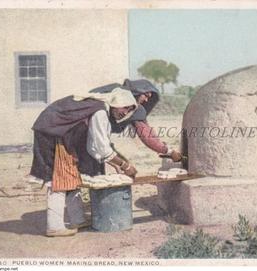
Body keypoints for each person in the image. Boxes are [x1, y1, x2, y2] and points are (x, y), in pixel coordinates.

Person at [29, 88, 139, 237]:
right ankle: (54, 226)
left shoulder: (101, 109)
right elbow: (101, 148)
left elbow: (93, 148)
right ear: (116, 102)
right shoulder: (100, 111)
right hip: (52, 132)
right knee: (58, 179)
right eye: (125, 107)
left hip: (61, 133)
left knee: (72, 176)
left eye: (129, 110)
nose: (125, 113)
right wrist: (125, 166)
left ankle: (78, 219)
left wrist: (115, 164)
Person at [89, 79, 183, 161]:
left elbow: (148, 130)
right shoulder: (130, 104)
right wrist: (169, 152)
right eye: (145, 95)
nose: (146, 100)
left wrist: (162, 146)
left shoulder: (116, 90)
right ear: (138, 91)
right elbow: (147, 136)